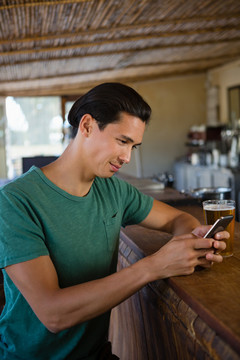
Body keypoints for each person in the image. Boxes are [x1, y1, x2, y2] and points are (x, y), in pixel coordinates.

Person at [0, 83, 227, 360]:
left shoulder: (114, 191)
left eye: (134, 145)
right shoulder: (15, 201)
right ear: (86, 126)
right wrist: (154, 266)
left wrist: (194, 243)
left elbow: (179, 218)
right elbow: (53, 313)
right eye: (122, 141)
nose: (127, 157)